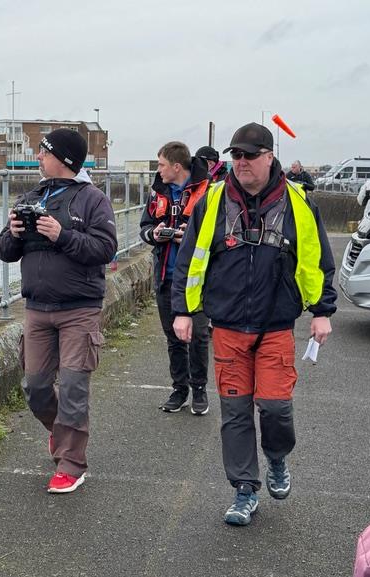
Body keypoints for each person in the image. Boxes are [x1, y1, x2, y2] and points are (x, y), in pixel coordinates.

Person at [171, 122, 337, 526]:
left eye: (249, 155)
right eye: (236, 156)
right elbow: (190, 259)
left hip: (275, 326)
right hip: (226, 327)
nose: (240, 162)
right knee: (235, 412)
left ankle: (277, 458)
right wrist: (184, 310)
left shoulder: (298, 203)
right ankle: (244, 490)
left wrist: (321, 311)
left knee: (276, 408)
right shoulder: (212, 201)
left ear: (269, 156)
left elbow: (316, 260)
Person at [0, 128, 117, 494]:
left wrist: (61, 235)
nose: (38, 159)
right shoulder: (31, 196)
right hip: (37, 308)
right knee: (34, 387)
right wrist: (15, 233)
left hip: (79, 308)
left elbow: (105, 249)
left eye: (43, 153)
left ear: (63, 159)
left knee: (75, 387)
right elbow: (3, 250)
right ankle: (60, 434)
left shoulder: (93, 199)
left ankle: (71, 464)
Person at [139, 141, 211, 415]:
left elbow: (217, 232)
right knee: (173, 337)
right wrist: (154, 234)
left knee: (199, 335)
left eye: (161, 165)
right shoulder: (157, 193)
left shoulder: (208, 192)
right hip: (165, 276)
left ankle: (200, 390)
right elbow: (144, 226)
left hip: (196, 279)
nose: (158, 170)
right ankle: (180, 389)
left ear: (176, 166)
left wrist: (189, 235)